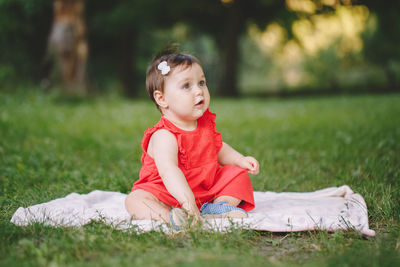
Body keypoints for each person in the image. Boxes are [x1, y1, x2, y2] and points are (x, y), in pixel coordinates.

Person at [125, 47, 259, 229]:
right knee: (135, 199)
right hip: (166, 193)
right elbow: (169, 171)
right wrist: (187, 202)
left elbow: (218, 147)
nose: (199, 91)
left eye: (202, 83)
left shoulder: (204, 124)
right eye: (187, 86)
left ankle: (218, 207)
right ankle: (170, 216)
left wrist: (240, 159)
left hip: (203, 190)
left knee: (237, 174)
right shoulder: (163, 135)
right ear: (162, 99)